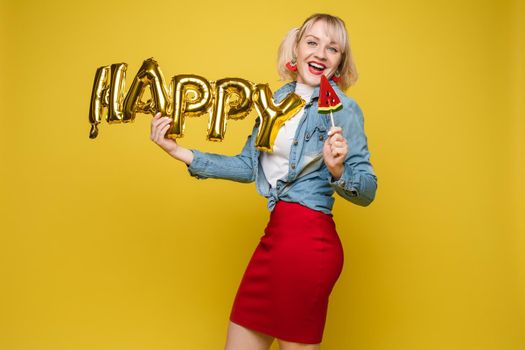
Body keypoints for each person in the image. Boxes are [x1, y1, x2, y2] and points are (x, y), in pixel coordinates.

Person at [150, 13, 377, 350]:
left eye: (333, 49)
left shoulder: (344, 109)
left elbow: (368, 189)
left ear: (340, 62)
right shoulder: (274, 102)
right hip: (275, 239)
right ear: (296, 49)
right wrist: (179, 151)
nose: (320, 53)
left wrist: (338, 170)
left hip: (308, 245)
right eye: (312, 42)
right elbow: (247, 166)